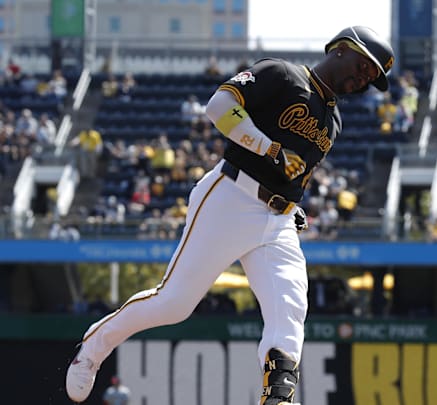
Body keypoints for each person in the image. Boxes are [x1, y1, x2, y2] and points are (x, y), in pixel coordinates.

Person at [65, 25, 394, 404]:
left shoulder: (333, 121)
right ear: (341, 48)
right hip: (231, 196)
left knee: (290, 303)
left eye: (372, 77)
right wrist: (270, 149)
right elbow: (219, 107)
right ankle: (94, 345)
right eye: (364, 66)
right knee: (173, 303)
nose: (364, 79)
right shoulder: (282, 73)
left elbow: (295, 171)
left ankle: (279, 394)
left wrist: (294, 203)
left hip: (277, 219)